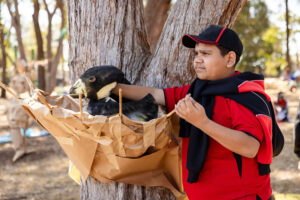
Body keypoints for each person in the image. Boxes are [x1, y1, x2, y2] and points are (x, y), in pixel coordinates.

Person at [113, 25, 275, 200]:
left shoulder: (244, 96)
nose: (197, 60)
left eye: (205, 54)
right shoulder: (197, 91)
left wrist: (202, 122)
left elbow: (250, 148)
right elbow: (156, 94)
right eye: (196, 54)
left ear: (229, 59)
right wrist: (111, 87)